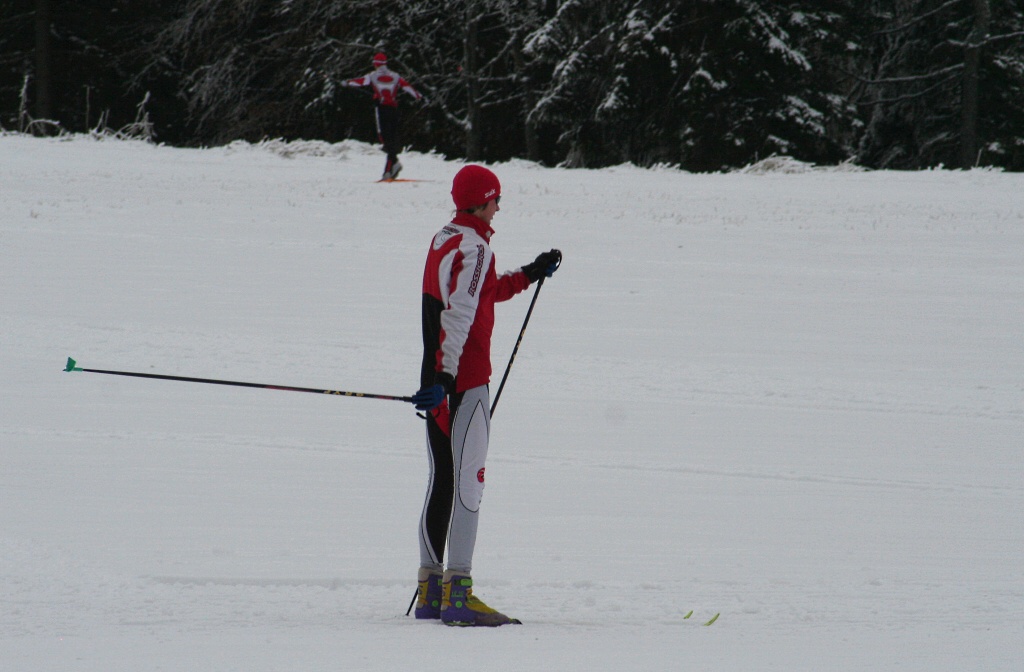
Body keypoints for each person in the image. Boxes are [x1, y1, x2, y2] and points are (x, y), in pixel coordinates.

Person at [410, 165, 561, 627]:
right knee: (469, 485)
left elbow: (482, 294)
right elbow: (457, 318)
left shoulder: (446, 237)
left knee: (442, 480)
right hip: (462, 382)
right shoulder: (475, 248)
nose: (500, 207)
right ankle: (460, 592)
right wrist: (448, 377)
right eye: (496, 199)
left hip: (436, 382)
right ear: (481, 201)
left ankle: (430, 591)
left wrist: (531, 273)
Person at [341, 52, 423, 180]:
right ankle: (391, 166)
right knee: (392, 137)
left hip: (381, 109)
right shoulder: (395, 76)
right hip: (393, 110)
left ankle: (391, 167)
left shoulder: (373, 76)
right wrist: (417, 96)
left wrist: (347, 82)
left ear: (375, 64)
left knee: (384, 138)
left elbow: (360, 81)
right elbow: (406, 86)